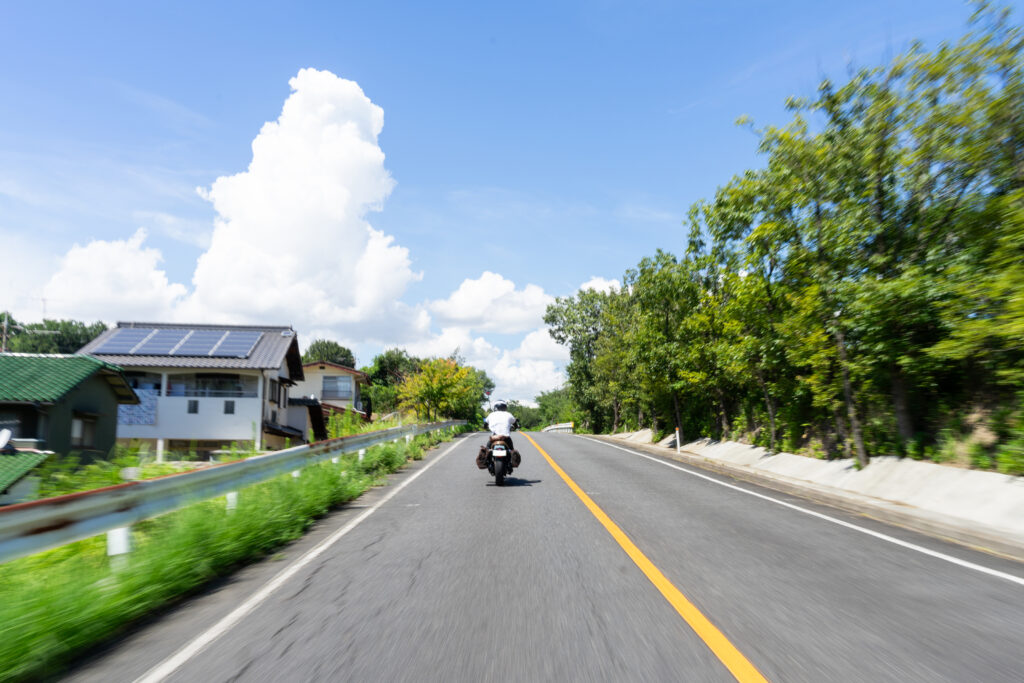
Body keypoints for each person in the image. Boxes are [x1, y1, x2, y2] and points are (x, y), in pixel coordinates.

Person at [477, 400, 521, 469]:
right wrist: (516, 427)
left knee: (487, 450)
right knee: (512, 450)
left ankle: (485, 462)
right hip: (505, 438)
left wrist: (485, 427)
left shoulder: (491, 415)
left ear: (495, 407)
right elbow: (515, 423)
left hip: (494, 437)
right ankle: (513, 462)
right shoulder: (508, 414)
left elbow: (485, 424)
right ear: (505, 407)